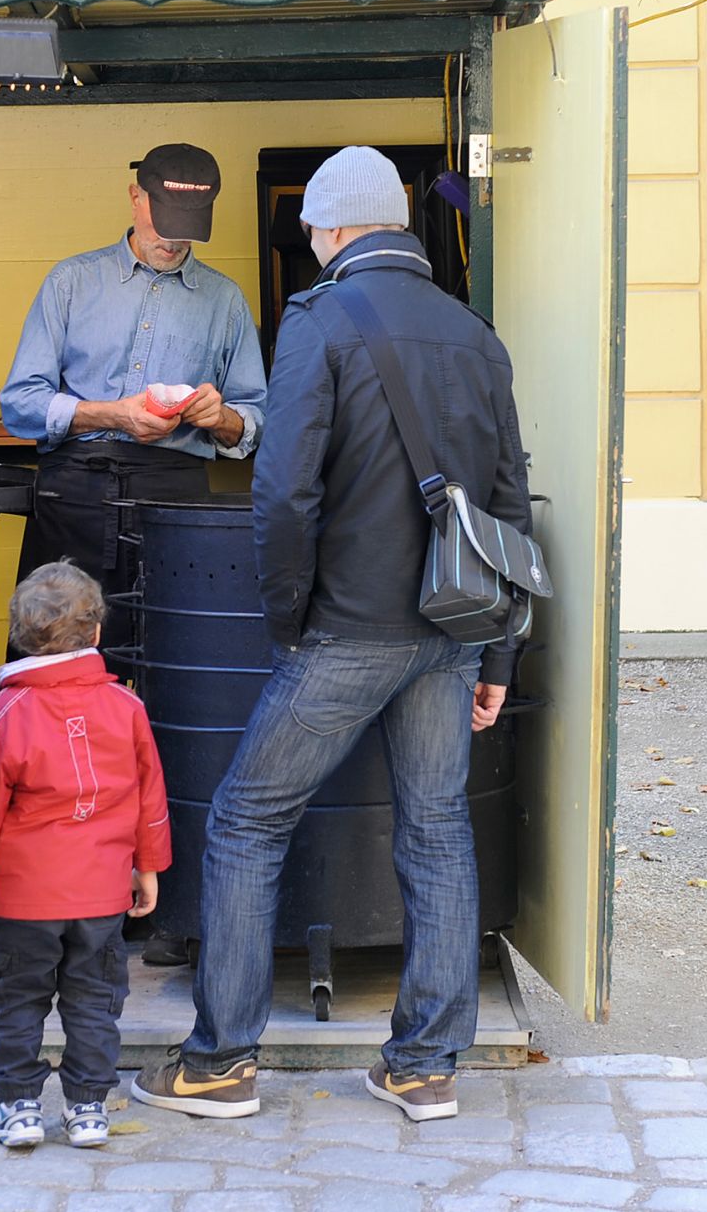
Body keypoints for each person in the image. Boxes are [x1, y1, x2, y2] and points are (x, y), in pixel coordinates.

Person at [132, 147, 534, 1123]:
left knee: (241, 821)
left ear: (339, 228)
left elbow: (284, 489)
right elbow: (507, 505)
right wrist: (498, 656)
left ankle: (219, 1061)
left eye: (311, 230)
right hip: (448, 630)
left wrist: (287, 619)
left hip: (346, 631)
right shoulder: (475, 335)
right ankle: (423, 1064)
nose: (307, 246)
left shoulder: (318, 318)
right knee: (435, 833)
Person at [0, 562, 171, 1150]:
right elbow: (149, 795)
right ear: (96, 635)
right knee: (96, 999)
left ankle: (17, 1106)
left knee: (16, 998)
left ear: (18, 635)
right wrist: (147, 868)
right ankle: (89, 1108)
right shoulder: (127, 707)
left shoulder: (0, 714)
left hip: (23, 900)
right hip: (101, 895)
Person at [0, 142, 268, 657]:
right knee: (53, 656)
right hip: (74, 492)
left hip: (175, 500)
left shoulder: (225, 300)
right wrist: (109, 414)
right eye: (163, 220)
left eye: (187, 225)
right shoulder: (71, 282)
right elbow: (20, 404)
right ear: (135, 198)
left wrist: (223, 419)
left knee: (172, 662)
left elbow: (256, 420)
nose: (172, 239)